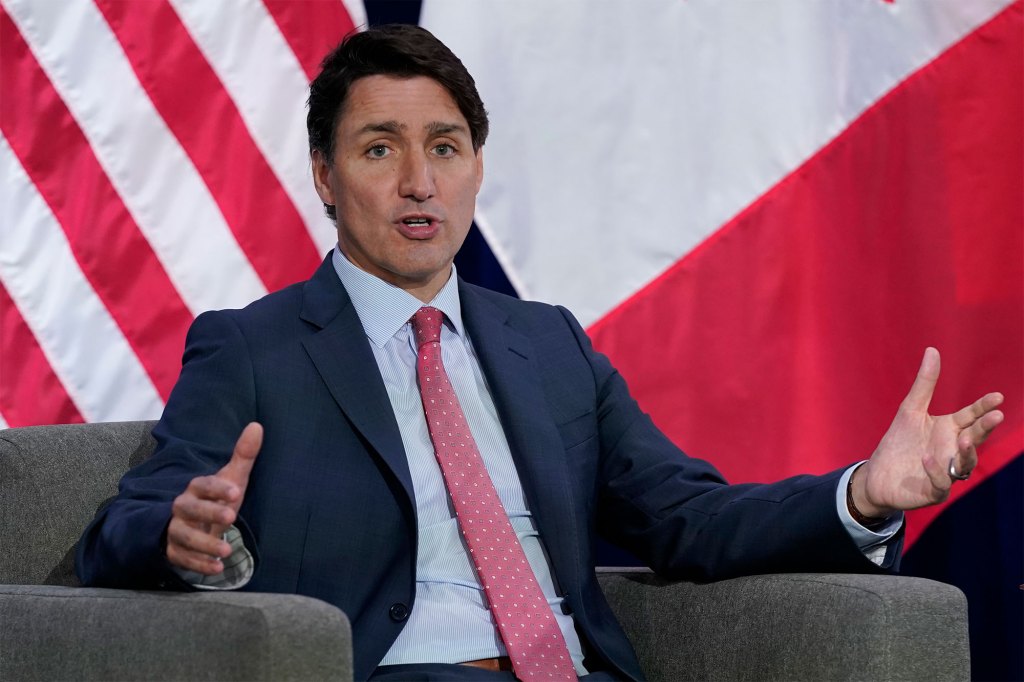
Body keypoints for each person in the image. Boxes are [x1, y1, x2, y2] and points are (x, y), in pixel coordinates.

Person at [76, 24, 1004, 681]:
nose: (418, 181)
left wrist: (862, 496)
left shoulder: (549, 342)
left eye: (445, 147)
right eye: (378, 149)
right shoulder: (252, 346)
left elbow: (690, 517)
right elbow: (129, 523)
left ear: (478, 165)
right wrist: (183, 537)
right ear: (325, 174)